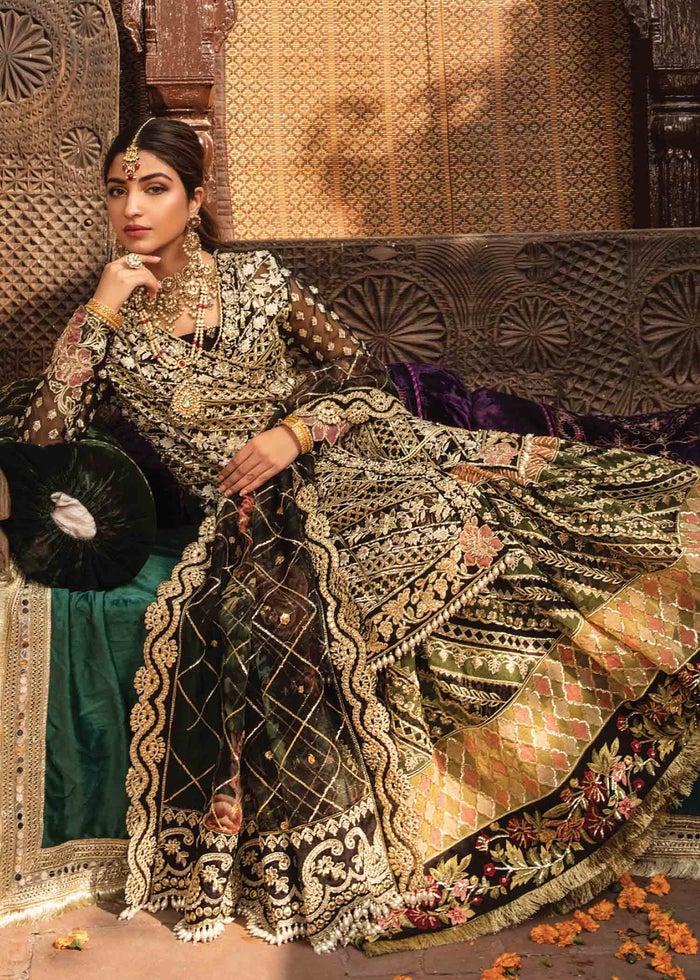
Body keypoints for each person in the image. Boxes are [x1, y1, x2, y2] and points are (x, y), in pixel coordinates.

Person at [18, 118, 700, 953]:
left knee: (525, 513)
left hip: (345, 458)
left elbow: (360, 374)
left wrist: (293, 433)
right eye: (117, 191)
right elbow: (44, 446)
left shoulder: (258, 281)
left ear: (194, 202)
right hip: (251, 520)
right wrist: (99, 309)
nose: (132, 207)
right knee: (312, 602)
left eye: (154, 187)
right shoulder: (108, 326)